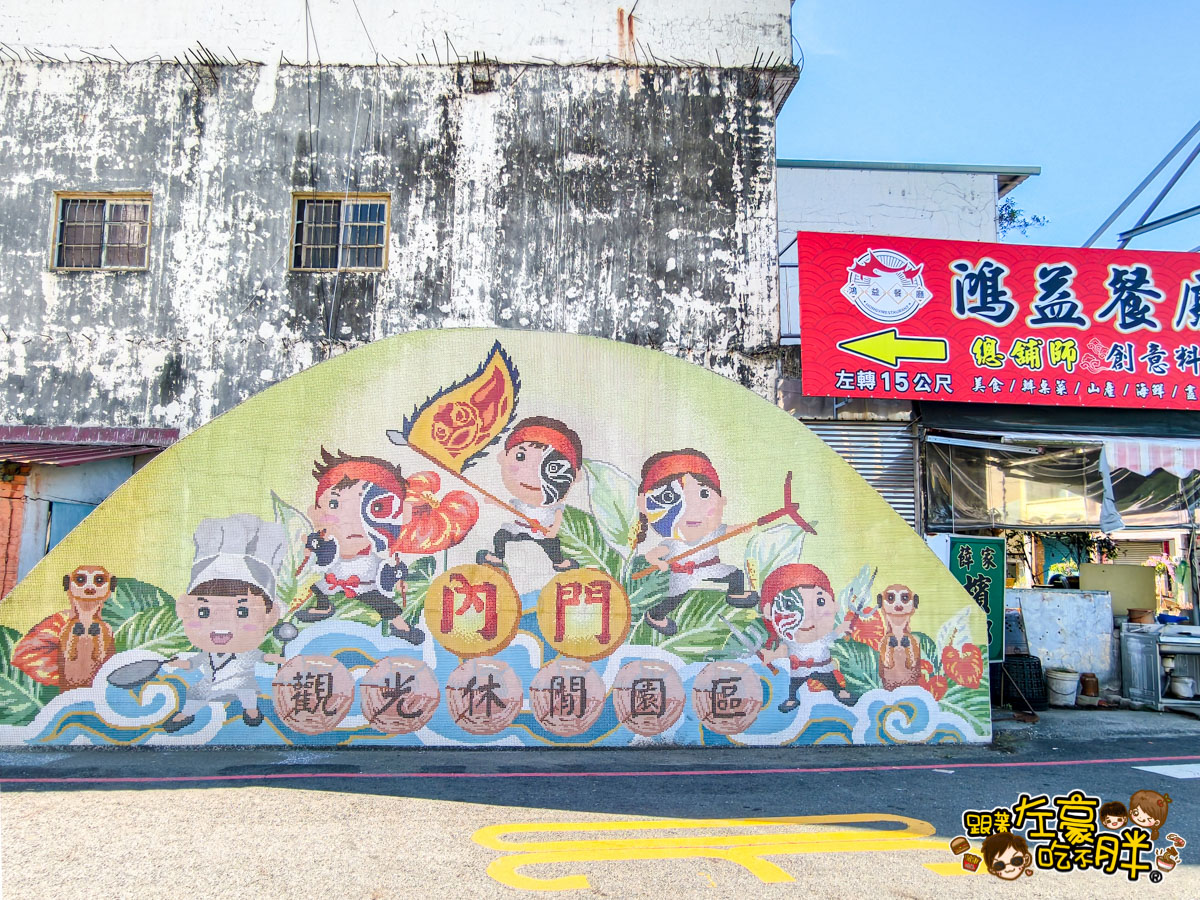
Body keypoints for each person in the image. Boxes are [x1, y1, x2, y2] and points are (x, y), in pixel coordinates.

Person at [162, 514, 287, 732]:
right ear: (184, 609)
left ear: (271, 615)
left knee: (248, 695)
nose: (221, 621)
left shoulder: (247, 653)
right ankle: (184, 715)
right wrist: (177, 664)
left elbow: (264, 657)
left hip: (241, 683)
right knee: (196, 696)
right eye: (204, 611)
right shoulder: (206, 655)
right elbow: (191, 664)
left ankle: (252, 712)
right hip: (208, 685)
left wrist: (278, 659)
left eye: (241, 611)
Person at [295, 448, 424, 644]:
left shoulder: (371, 559)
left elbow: (385, 573)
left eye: (376, 508)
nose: (351, 520)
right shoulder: (330, 547)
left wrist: (397, 575)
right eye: (334, 504)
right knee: (318, 589)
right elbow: (319, 557)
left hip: (364, 586)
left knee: (384, 604)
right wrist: (312, 547)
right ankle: (324, 607)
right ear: (316, 512)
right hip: (332, 581)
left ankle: (401, 627)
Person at [634, 449, 757, 636]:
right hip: (683, 575)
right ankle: (655, 616)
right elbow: (653, 554)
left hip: (710, 567)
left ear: (721, 501)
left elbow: (729, 530)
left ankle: (735, 594)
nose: (692, 510)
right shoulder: (673, 543)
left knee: (735, 575)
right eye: (671, 497)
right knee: (674, 599)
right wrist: (659, 562)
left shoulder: (712, 531)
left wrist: (742, 528)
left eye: (704, 494)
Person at [477, 417, 582, 573]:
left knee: (553, 545)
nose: (533, 474)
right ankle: (498, 556)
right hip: (519, 530)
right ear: (503, 457)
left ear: (575, 478)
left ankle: (559, 562)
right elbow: (508, 507)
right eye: (521, 457)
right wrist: (494, 501)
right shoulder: (520, 503)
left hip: (541, 533)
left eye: (551, 468)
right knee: (501, 535)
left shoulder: (554, 506)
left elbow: (558, 518)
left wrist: (552, 531)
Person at [759, 563, 853, 709]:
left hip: (823, 667)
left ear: (834, 605)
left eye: (820, 602)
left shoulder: (823, 637)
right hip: (799, 669)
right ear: (768, 611)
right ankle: (791, 699)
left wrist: (843, 628)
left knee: (831, 681)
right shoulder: (791, 641)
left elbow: (835, 634)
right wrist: (771, 656)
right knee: (794, 685)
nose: (808, 615)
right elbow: (782, 650)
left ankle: (840, 692)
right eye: (789, 605)